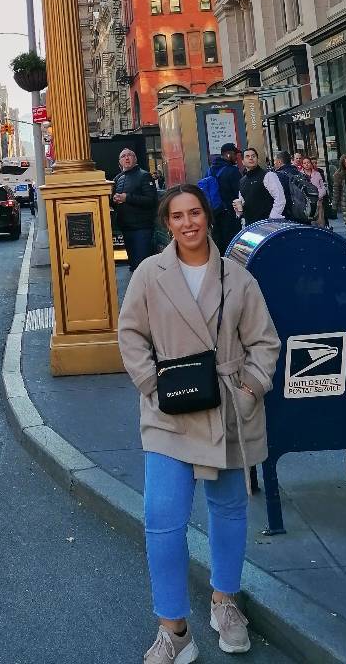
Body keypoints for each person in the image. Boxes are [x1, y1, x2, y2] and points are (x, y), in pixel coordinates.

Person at [118, 185, 280, 663]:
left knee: (228, 507)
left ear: (208, 218)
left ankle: (225, 602)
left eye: (195, 213)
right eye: (178, 216)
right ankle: (174, 629)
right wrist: (153, 387)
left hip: (226, 407)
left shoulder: (237, 276)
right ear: (166, 223)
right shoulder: (149, 273)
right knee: (162, 519)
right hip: (169, 412)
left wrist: (249, 389)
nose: (188, 223)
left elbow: (264, 342)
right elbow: (130, 335)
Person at [112, 148, 159, 272]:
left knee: (142, 267)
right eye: (123, 156)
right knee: (133, 266)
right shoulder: (117, 179)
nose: (126, 158)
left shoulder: (144, 176)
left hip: (142, 229)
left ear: (135, 159)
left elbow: (151, 200)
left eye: (129, 155)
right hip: (126, 228)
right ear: (120, 161)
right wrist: (115, 200)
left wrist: (127, 198)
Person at [205, 142, 242, 254]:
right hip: (230, 215)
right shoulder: (232, 171)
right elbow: (240, 193)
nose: (236, 157)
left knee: (218, 243)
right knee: (231, 245)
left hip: (215, 213)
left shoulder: (210, 170)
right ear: (228, 155)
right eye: (235, 154)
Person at [233, 148, 285, 224]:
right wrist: (238, 209)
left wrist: (272, 218)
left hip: (268, 225)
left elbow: (280, 198)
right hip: (251, 226)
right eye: (247, 156)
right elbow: (243, 203)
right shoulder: (242, 181)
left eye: (253, 156)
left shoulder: (268, 175)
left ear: (257, 159)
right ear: (243, 162)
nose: (251, 158)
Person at [273, 151, 309, 224]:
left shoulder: (277, 176)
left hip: (287, 216)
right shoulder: (300, 174)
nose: (274, 163)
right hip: (304, 213)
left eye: (275, 160)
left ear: (279, 162)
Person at [300, 156, 328, 227]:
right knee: (310, 223)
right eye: (304, 163)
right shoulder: (300, 175)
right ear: (302, 164)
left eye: (308, 162)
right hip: (306, 203)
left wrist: (319, 196)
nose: (306, 164)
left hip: (318, 201)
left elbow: (323, 187)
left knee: (320, 222)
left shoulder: (317, 174)